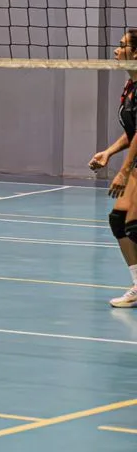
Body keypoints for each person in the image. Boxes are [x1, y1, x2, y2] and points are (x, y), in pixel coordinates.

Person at [90, 29, 137, 306]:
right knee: (119, 220)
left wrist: (123, 171)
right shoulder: (130, 86)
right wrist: (108, 152)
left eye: (122, 46)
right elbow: (132, 132)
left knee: (134, 225)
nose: (116, 51)